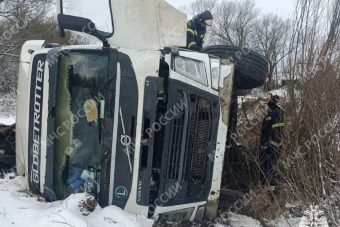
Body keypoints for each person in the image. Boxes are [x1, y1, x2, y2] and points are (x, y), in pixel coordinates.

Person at [259, 95, 285, 189]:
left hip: (271, 149)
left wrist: (271, 146)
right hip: (265, 147)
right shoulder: (270, 113)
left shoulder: (278, 113)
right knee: (265, 169)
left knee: (271, 170)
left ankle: (273, 194)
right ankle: (265, 189)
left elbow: (278, 133)